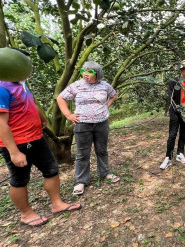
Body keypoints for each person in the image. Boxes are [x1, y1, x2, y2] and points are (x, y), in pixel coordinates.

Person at [0, 48, 81, 227]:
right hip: (18, 143)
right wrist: (13, 152)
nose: (31, 67)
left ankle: (57, 204)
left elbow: (29, 102)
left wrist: (42, 118)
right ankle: (26, 214)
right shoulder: (1, 88)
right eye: (27, 63)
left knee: (51, 170)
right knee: (19, 179)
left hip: (35, 137)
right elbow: (1, 123)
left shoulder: (20, 82)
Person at [57, 61, 119, 195]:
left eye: (90, 72)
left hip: (101, 123)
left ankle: (105, 173)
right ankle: (81, 181)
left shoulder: (105, 85)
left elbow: (114, 95)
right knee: (82, 153)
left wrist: (105, 107)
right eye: (84, 71)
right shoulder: (77, 85)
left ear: (98, 74)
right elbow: (60, 98)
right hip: (82, 124)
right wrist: (68, 115)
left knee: (102, 150)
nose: (86, 74)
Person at [160, 60, 185, 170]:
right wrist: (180, 112)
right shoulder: (174, 82)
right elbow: (171, 99)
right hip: (175, 113)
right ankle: (168, 157)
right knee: (172, 135)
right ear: (182, 70)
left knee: (183, 134)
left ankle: (180, 154)